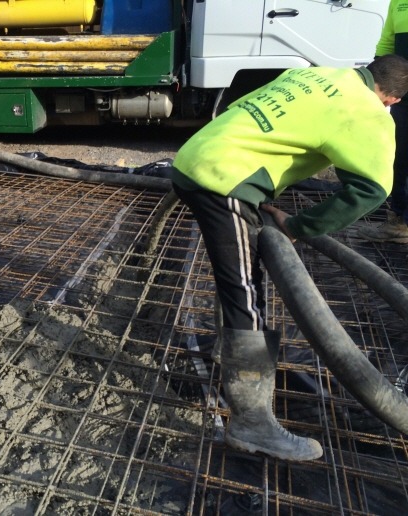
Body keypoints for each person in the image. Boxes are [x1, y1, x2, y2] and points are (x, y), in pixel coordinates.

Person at [171, 55, 408, 461]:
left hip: (195, 157)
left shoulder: (313, 74)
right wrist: (299, 226)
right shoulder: (370, 113)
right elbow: (372, 190)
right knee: (246, 293)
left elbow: (244, 110)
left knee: (239, 274)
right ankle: (252, 423)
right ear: (393, 100)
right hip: (223, 181)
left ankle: (226, 353)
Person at [358, 0, 408, 243]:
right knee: (400, 155)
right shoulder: (398, 1)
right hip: (404, 94)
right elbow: (387, 43)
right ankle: (400, 221)